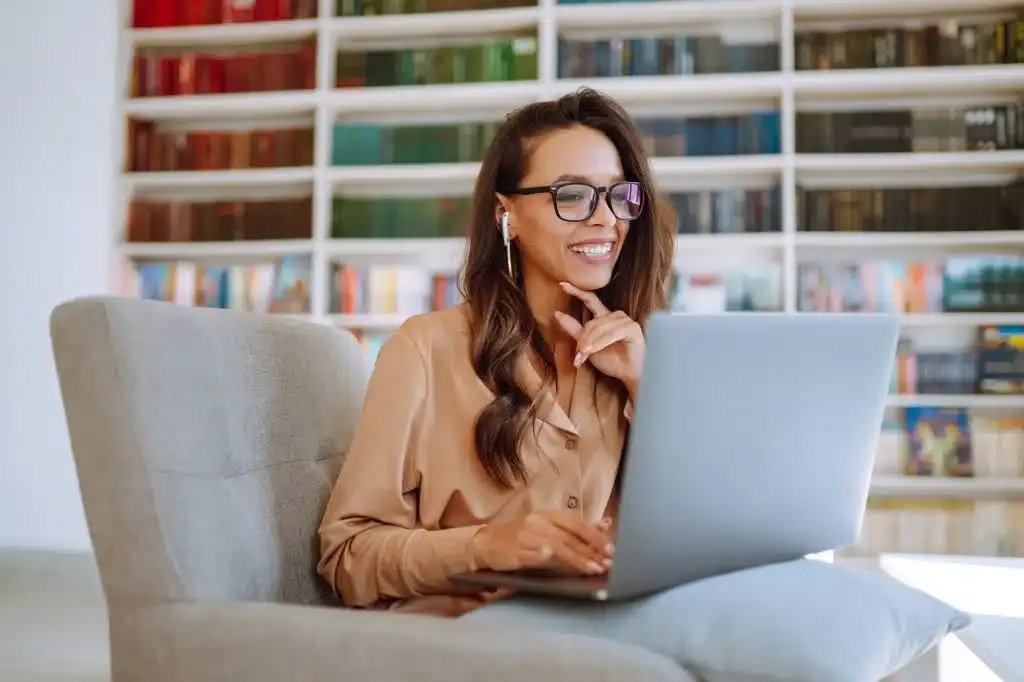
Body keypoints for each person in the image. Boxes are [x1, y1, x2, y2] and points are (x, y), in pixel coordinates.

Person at [317, 87, 676, 617]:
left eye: (618, 194)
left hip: (608, 627)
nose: (605, 219)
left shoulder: (643, 357)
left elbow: (697, 532)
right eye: (573, 195)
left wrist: (644, 386)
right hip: (471, 638)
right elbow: (346, 557)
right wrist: (488, 545)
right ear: (506, 215)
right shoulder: (424, 351)